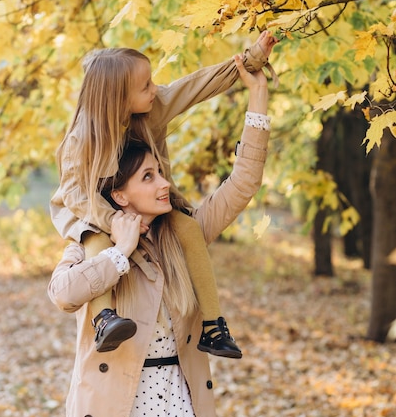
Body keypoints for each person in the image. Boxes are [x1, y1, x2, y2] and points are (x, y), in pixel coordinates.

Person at [47, 54, 273, 417]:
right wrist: (117, 252)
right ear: (119, 194)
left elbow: (243, 184)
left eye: (160, 170)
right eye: (149, 176)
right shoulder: (94, 244)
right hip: (116, 412)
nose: (166, 182)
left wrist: (257, 96)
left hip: (174, 406)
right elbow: (63, 294)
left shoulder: (181, 237)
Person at [50, 32, 277, 356]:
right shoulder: (82, 140)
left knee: (187, 226)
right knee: (94, 238)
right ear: (118, 99)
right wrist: (119, 235)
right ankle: (104, 318)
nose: (154, 89)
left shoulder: (150, 111)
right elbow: (63, 289)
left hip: (177, 399)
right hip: (90, 211)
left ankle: (214, 326)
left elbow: (194, 86)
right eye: (145, 87)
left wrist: (252, 60)